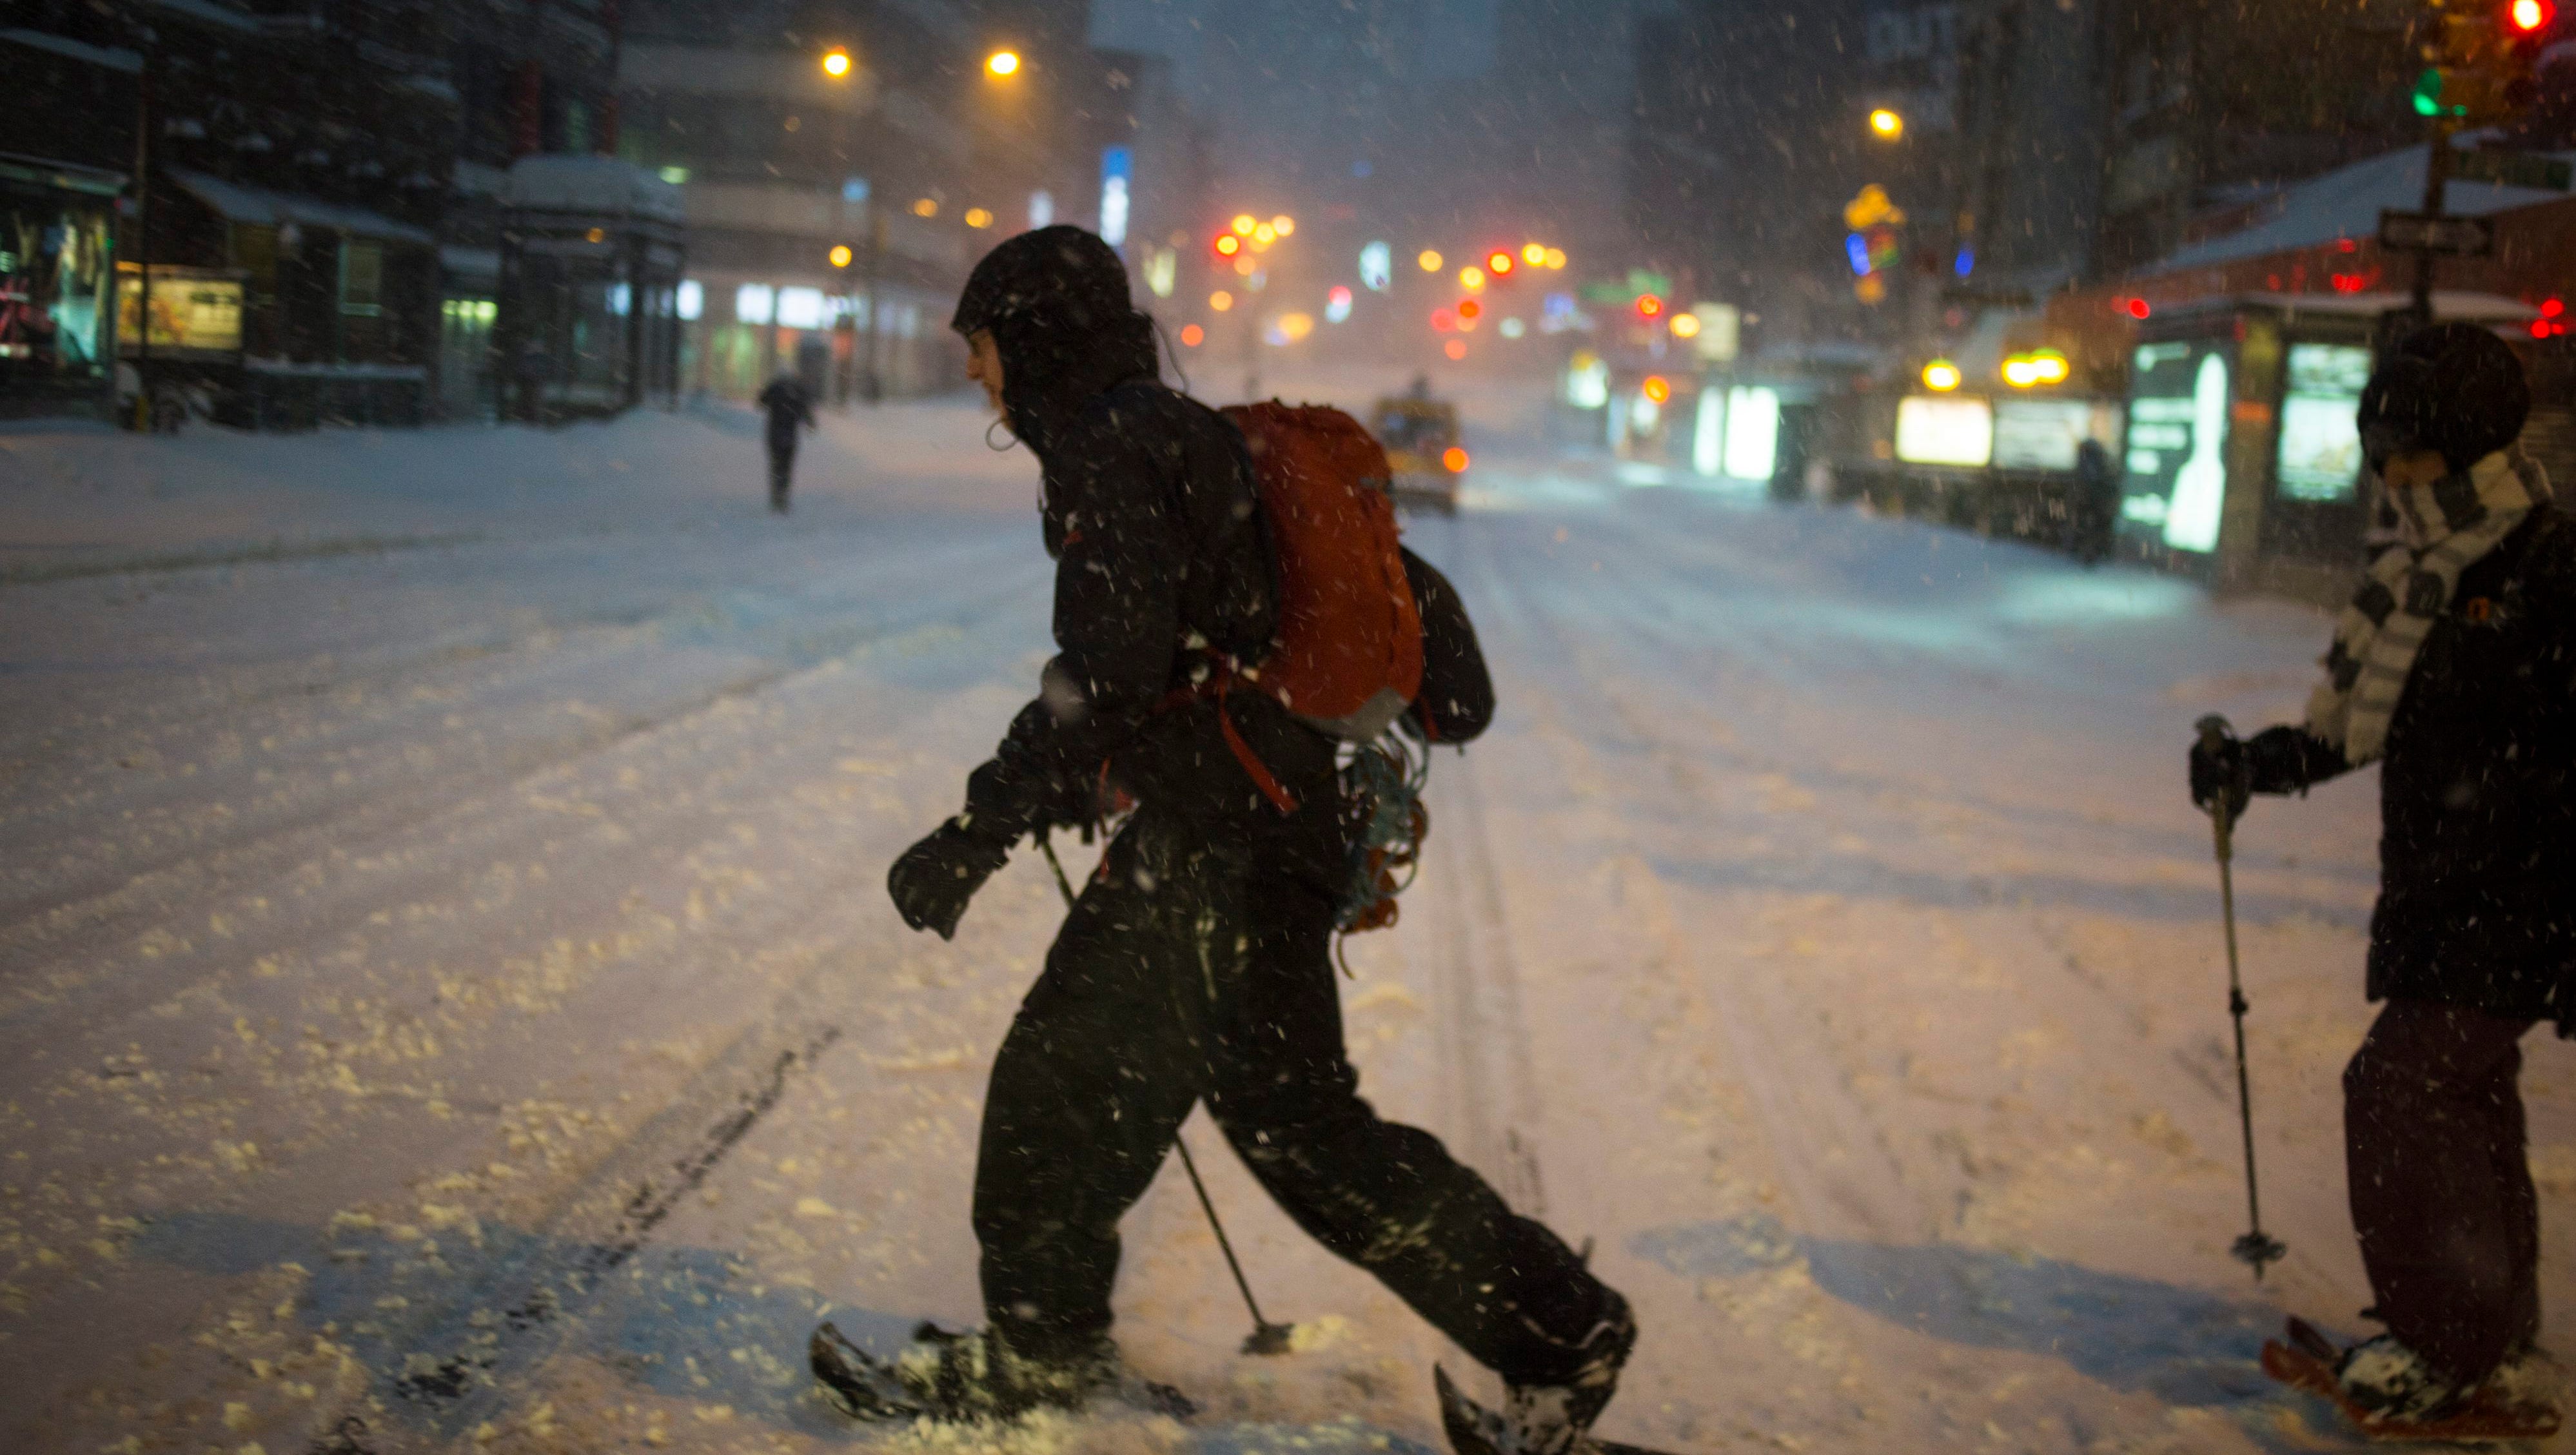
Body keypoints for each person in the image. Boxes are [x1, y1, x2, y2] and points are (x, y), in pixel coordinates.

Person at [827, 226, 1634, 1452]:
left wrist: (978, 829)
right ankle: (1557, 1331)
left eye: (982, 347)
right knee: (1219, 1114)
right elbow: (1197, 653)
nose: (977, 375)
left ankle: (1046, 1356)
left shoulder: (1118, 444)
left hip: (1221, 852)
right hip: (1255, 831)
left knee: (1133, 1103)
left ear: (1036, 339)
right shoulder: (1182, 434)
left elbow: (1106, 674)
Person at [2189, 322, 2568, 1429]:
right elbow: (2361, 727)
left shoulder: (2547, 570)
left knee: (2399, 1093)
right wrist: (2253, 764)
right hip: (2440, 897)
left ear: (2467, 444)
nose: (2391, 477)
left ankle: (2449, 1347)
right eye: (2381, 454)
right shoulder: (2418, 580)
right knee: (2465, 1102)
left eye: (2408, 452)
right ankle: (2490, 1341)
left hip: (2521, 898)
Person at [758, 373, 815, 513]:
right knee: (787, 465)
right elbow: (805, 408)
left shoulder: (775, 388)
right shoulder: (797, 390)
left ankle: (776, 495)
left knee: (776, 464)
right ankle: (783, 494)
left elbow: (761, 403)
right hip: (790, 434)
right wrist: (810, 423)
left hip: (774, 433)